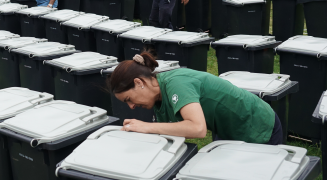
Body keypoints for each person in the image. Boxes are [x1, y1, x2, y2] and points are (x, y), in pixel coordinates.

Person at [107, 52, 283, 145]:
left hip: (257, 125)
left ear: (139, 83)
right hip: (227, 130)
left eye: (128, 98)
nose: (130, 106)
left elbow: (198, 129)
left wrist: (146, 126)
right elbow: (167, 132)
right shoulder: (158, 99)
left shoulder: (177, 84)